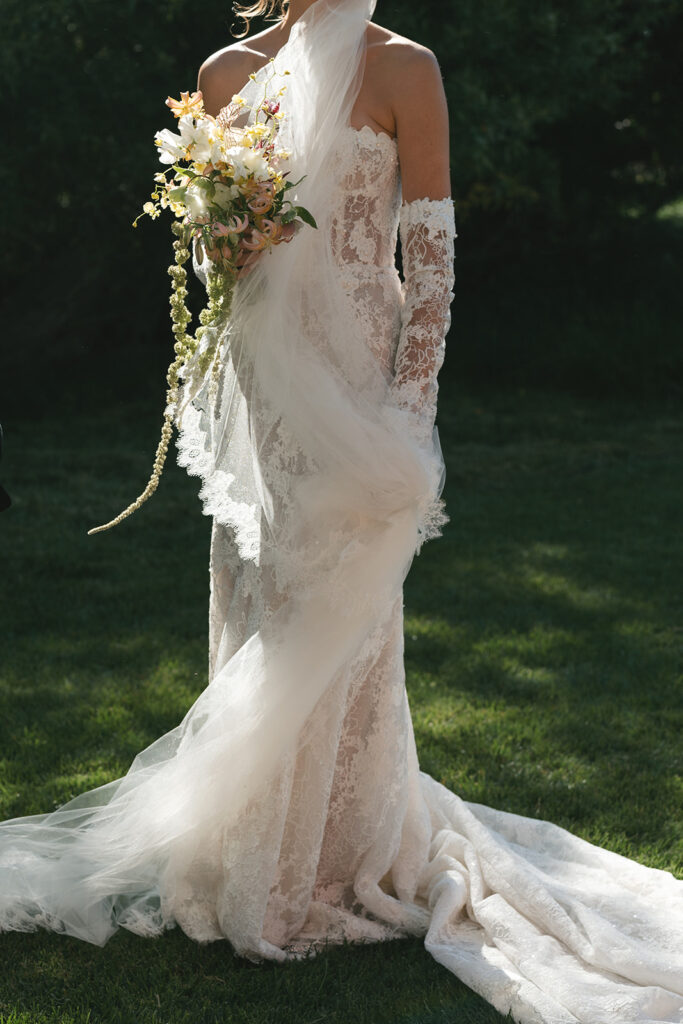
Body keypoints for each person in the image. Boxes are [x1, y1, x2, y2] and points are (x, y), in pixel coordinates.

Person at [1, 2, 682, 1022]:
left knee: (347, 612)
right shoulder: (225, 73)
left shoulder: (405, 67)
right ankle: (250, 858)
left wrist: (410, 409)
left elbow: (432, 259)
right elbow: (209, 257)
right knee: (266, 600)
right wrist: (228, 236)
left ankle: (332, 854)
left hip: (363, 381)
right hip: (268, 390)